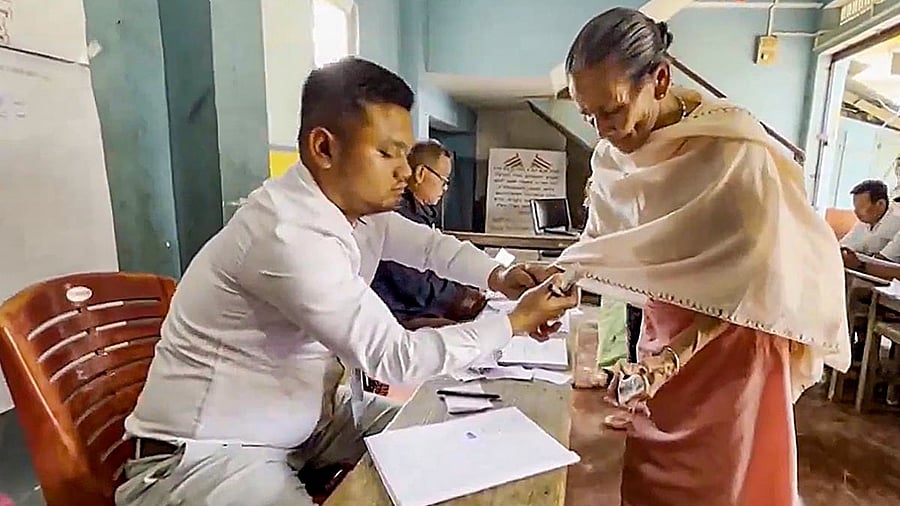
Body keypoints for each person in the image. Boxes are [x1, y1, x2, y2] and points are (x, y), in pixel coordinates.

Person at [114, 57, 578, 506]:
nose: (405, 171)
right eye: (386, 153)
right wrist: (514, 322)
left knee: (449, 437)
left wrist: (502, 275)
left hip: (305, 428)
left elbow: (431, 247)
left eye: (406, 154)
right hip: (208, 455)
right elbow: (396, 358)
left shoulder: (358, 214)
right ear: (324, 148)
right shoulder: (287, 233)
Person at [526, 9, 850, 506]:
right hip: (664, 326)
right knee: (651, 476)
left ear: (659, 79)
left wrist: (670, 361)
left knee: (717, 484)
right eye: (587, 115)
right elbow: (602, 245)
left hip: (734, 342)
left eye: (612, 111)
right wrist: (557, 283)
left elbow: (756, 280)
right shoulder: (613, 155)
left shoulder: (734, 151)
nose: (602, 130)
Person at [371, 139, 486, 329]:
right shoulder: (398, 214)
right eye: (443, 180)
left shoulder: (419, 212)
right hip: (399, 316)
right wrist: (460, 297)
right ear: (420, 173)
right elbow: (416, 287)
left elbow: (437, 253)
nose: (445, 188)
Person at [840, 179, 900, 266]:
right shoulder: (865, 220)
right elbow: (844, 246)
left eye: (861, 207)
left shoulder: (896, 219)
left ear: (880, 204)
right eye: (856, 207)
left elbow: (884, 260)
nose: (856, 212)